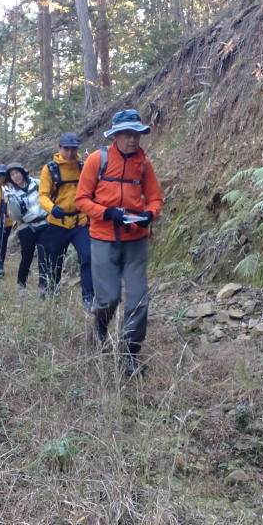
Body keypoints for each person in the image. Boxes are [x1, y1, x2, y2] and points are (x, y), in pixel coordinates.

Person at [75, 109, 164, 377]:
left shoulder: (144, 164)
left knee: (138, 300)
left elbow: (155, 198)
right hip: (103, 238)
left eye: (136, 134)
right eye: (127, 134)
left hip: (135, 239)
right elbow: (81, 200)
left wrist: (150, 214)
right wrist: (106, 213)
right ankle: (100, 331)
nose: (133, 139)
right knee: (108, 298)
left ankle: (129, 354)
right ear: (115, 135)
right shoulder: (97, 160)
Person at [37, 132, 94, 309]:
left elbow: (91, 190)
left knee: (88, 256)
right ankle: (52, 292)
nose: (70, 152)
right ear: (59, 148)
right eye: (66, 148)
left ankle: (88, 297)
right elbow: (43, 195)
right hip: (57, 223)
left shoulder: (83, 166)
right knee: (55, 260)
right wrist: (51, 208)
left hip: (80, 221)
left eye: (73, 149)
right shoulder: (50, 169)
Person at [4, 161, 48, 297]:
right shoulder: (11, 193)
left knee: (44, 256)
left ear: (22, 172)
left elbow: (48, 197)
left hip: (43, 224)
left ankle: (43, 287)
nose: (16, 176)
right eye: (12, 175)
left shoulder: (37, 183)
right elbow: (14, 216)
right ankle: (21, 284)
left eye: (17, 172)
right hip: (26, 227)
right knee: (27, 257)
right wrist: (11, 200)